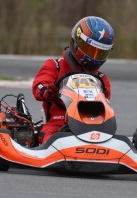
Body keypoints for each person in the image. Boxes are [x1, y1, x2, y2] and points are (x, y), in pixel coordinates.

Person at [32, 16, 115, 144]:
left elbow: (104, 106)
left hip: (93, 126)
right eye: (91, 51)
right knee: (50, 137)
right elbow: (39, 86)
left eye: (100, 54)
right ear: (77, 43)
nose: (94, 57)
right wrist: (48, 91)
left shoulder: (102, 79)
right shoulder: (55, 66)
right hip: (58, 122)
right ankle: (59, 146)